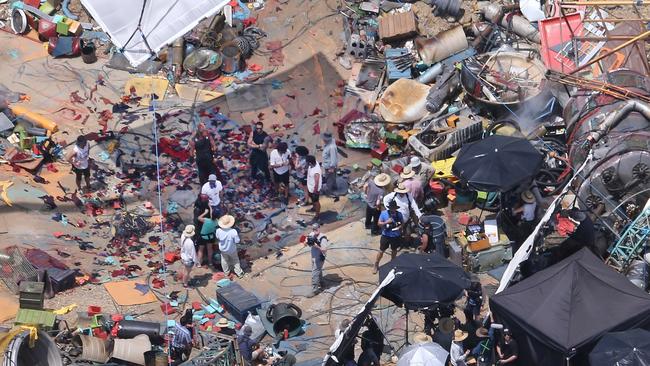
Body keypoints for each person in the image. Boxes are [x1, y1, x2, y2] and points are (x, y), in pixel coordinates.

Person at [374, 200, 404, 273]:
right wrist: (386, 222)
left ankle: (392, 263)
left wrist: (400, 227)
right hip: (386, 236)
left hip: (395, 236)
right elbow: (379, 224)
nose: (392, 209)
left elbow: (402, 223)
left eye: (394, 208)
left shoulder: (399, 214)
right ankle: (376, 264)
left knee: (394, 250)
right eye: (391, 208)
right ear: (389, 208)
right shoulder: (384, 214)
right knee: (381, 251)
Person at [306, 223, 328, 297]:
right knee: (318, 270)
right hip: (313, 257)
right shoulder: (311, 234)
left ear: (319, 228)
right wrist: (306, 242)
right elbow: (305, 241)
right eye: (314, 229)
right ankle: (322, 283)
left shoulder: (323, 238)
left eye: (317, 229)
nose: (315, 230)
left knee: (315, 272)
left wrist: (316, 246)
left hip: (319, 257)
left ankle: (315, 290)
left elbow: (324, 250)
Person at [321, 132, 339, 199]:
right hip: (328, 165)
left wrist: (332, 167)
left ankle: (329, 192)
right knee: (332, 177)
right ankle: (334, 187)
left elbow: (333, 158)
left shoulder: (331, 147)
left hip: (329, 167)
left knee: (329, 179)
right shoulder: (330, 143)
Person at [306, 155, 322, 222]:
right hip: (310, 187)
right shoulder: (313, 164)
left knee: (316, 201)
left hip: (314, 189)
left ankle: (317, 215)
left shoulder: (316, 171)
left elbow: (317, 182)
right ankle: (313, 208)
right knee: (312, 200)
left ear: (310, 163)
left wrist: (315, 191)